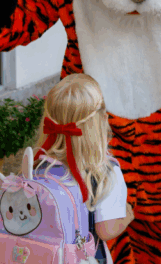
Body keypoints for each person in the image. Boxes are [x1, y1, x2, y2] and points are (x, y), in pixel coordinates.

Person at [34, 74, 134, 264]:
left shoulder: (38, 165)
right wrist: (127, 216)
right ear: (102, 120)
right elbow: (106, 230)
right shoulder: (105, 173)